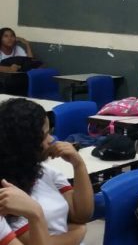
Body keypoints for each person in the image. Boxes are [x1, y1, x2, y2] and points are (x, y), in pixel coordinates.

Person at [0, 98, 94, 243]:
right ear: (25, 144)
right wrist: (78, 232)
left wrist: (78, 164)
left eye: (50, 132)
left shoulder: (44, 171)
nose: (51, 140)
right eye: (44, 136)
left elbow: (81, 214)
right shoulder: (7, 192)